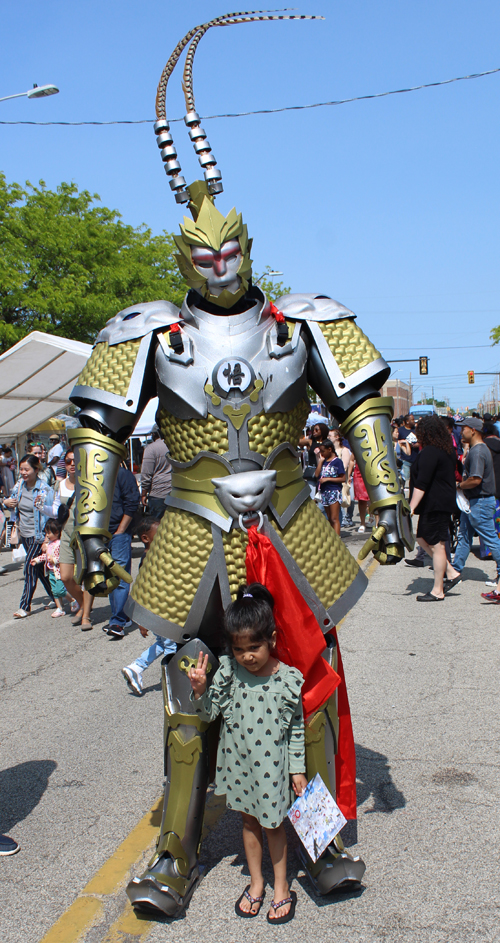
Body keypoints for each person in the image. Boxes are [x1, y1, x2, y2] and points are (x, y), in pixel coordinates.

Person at [188, 583, 307, 924]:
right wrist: (200, 690)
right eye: (240, 650)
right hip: (239, 766)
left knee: (273, 825)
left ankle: (282, 887)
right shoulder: (228, 673)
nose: (248, 657)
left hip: (272, 768)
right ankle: (257, 884)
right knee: (248, 822)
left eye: (254, 647)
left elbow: (295, 729)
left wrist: (296, 769)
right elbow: (208, 713)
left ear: (271, 638)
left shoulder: (287, 680)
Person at [446, 418, 500, 602]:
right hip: (475, 502)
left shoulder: (478, 451)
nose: (461, 432)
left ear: (474, 431)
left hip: (481, 502)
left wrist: (459, 485)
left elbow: (475, 479)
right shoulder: (478, 449)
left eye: (464, 429)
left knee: (491, 538)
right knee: (463, 536)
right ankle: (455, 571)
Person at [122, 516, 177, 694]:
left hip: (161, 612)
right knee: (171, 647)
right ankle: (172, 684)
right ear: (146, 538)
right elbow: (141, 589)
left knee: (162, 643)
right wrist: (141, 618)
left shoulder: (158, 555)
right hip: (161, 613)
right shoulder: (150, 559)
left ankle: (136, 668)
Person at [43, 449, 94, 631]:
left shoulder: (89, 483)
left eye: (75, 461)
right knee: (65, 576)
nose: (72, 464)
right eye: (68, 461)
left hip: (86, 535)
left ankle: (86, 615)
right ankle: (82, 604)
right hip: (66, 535)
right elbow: (57, 512)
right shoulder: (61, 485)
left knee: (87, 577)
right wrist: (42, 507)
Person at [408, 416, 457, 601]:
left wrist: (411, 507)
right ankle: (451, 572)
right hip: (440, 502)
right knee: (422, 538)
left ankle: (438, 590)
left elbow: (422, 482)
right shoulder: (446, 449)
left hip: (435, 503)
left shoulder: (430, 451)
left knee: (436, 545)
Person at [4, 454, 54, 618]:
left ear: (36, 470)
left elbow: (50, 517)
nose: (23, 473)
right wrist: (6, 502)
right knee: (39, 570)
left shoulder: (45, 490)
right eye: (21, 469)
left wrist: (47, 540)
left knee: (30, 567)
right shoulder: (19, 485)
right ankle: (56, 595)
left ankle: (25, 606)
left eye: (27, 469)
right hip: (23, 534)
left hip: (38, 536)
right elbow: (10, 500)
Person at [102, 463, 140, 638]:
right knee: (110, 577)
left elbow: (132, 502)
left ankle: (117, 622)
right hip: (100, 533)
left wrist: (121, 530)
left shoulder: (122, 474)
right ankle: (121, 616)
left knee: (120, 577)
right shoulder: (94, 474)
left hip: (118, 532)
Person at [30, 518, 75, 617]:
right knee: (54, 591)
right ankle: (60, 608)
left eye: (49, 533)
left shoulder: (59, 544)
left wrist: (54, 560)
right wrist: (37, 560)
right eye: (46, 533)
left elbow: (62, 557)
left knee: (60, 590)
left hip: (58, 571)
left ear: (57, 532)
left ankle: (73, 600)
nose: (47, 535)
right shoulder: (50, 544)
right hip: (50, 571)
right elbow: (46, 556)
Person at [140, 425, 172, 520]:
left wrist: (143, 493)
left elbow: (146, 474)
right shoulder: (176, 445)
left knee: (157, 526)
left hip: (158, 494)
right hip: (177, 492)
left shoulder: (151, 448)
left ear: (155, 434)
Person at [315, 439, 345, 536]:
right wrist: (320, 461)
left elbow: (343, 478)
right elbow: (316, 474)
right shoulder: (323, 461)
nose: (322, 453)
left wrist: (328, 479)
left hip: (334, 491)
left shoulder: (337, 462)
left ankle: (337, 539)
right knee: (328, 517)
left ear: (330, 449)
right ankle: (332, 537)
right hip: (324, 491)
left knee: (334, 518)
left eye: (323, 451)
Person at [398, 414, 419, 486]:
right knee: (407, 480)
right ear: (407, 421)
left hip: (416, 459)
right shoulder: (400, 431)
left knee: (416, 479)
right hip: (406, 460)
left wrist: (417, 445)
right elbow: (398, 443)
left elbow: (421, 441)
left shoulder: (416, 429)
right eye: (412, 420)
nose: (414, 421)